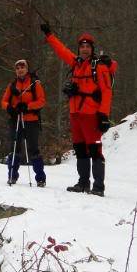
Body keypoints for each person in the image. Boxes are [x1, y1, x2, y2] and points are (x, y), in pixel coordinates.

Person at [40, 24, 113, 196]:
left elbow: (107, 92)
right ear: (79, 48)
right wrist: (49, 35)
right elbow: (62, 51)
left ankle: (98, 187)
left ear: (92, 48)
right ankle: (83, 183)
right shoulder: (75, 63)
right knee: (80, 149)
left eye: (88, 46)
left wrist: (104, 115)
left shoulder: (99, 67)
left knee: (95, 150)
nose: (85, 49)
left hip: (92, 115)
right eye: (82, 46)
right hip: (75, 114)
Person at [0, 59, 47, 187]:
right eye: (18, 68)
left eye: (22, 67)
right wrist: (10, 108)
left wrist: (27, 106)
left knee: (33, 149)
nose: (20, 70)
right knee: (14, 147)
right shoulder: (12, 85)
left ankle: (40, 178)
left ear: (27, 69)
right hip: (15, 120)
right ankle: (12, 176)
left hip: (31, 120)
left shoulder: (34, 83)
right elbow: (3, 101)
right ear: (15, 71)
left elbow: (42, 101)